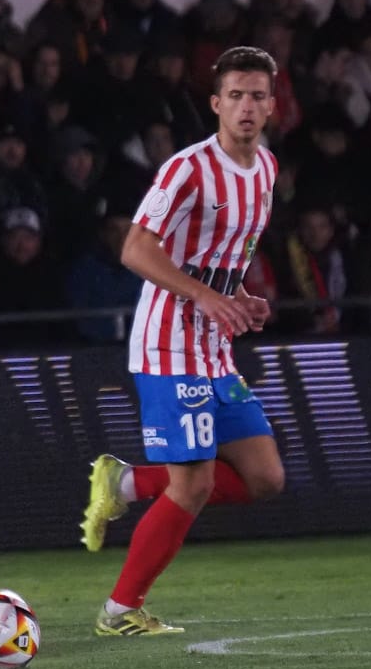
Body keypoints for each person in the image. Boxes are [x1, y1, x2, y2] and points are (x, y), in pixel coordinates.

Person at [77, 46, 284, 636]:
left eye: (258, 96)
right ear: (216, 104)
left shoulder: (266, 168)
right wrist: (202, 295)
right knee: (191, 484)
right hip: (169, 345)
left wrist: (237, 294)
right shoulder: (187, 169)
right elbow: (135, 249)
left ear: (272, 105)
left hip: (215, 346)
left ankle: (124, 482)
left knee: (265, 478)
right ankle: (120, 611)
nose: (247, 107)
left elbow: (227, 255)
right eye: (236, 96)